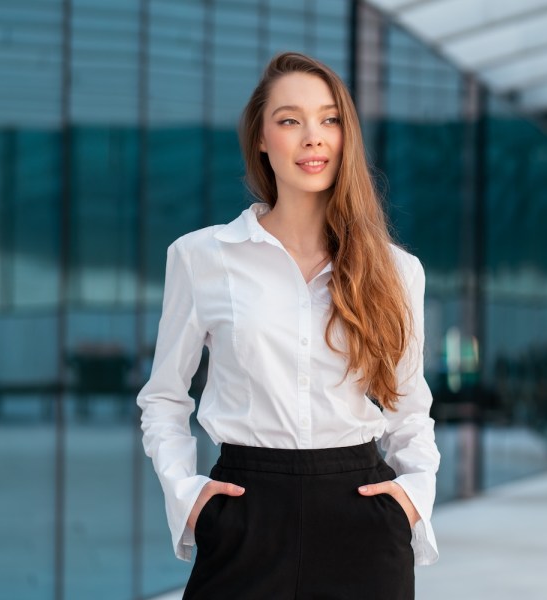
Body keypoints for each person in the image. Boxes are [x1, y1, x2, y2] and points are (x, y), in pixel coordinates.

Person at [137, 51, 439, 600]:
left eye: (329, 119)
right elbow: (164, 398)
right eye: (289, 120)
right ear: (260, 138)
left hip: (363, 516)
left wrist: (413, 498)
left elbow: (409, 404)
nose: (312, 137)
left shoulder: (396, 270)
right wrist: (188, 497)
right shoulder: (201, 257)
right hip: (244, 515)